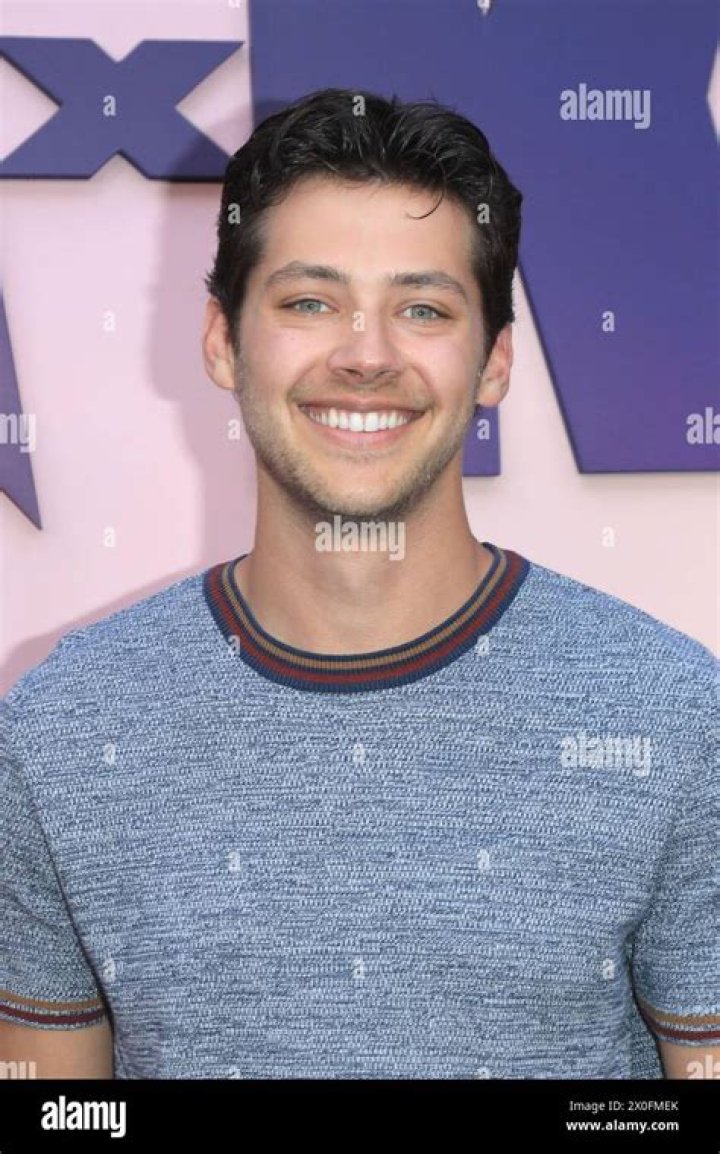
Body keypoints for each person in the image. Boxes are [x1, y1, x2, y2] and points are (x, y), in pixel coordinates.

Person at [1, 88, 717, 1080]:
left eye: (422, 308)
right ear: (222, 340)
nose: (367, 354)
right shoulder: (63, 730)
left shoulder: (671, 716)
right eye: (309, 302)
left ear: (495, 360)